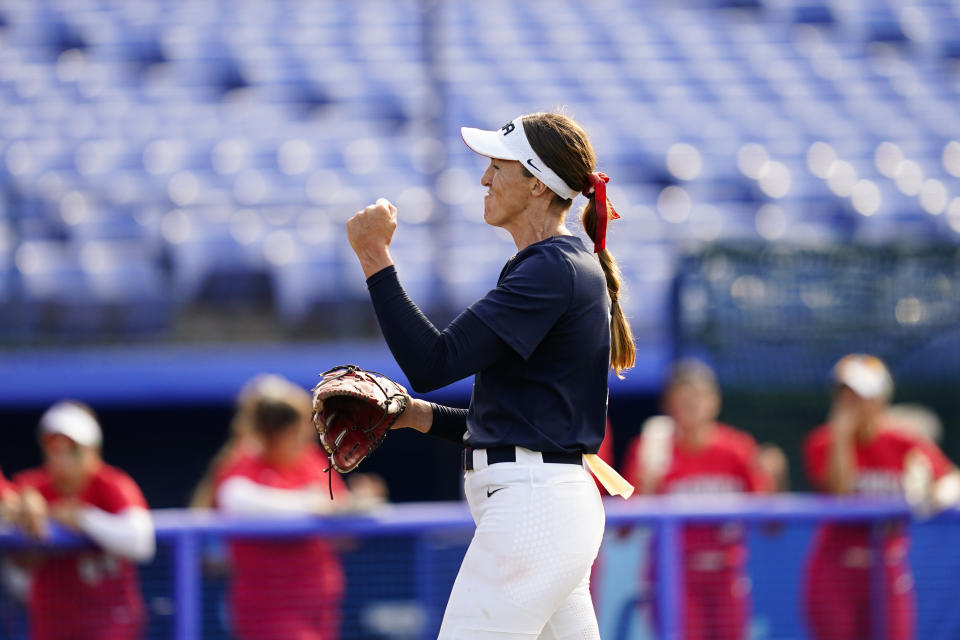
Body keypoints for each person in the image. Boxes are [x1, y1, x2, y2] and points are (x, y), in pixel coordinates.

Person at [343, 111, 634, 639]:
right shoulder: (556, 265)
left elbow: (432, 363)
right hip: (545, 505)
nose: (484, 179)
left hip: (535, 510)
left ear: (538, 186)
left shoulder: (552, 268)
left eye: (498, 167)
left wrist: (374, 258)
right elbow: (518, 421)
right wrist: (417, 415)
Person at [802, 354, 960, 640]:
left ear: (879, 399)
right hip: (835, 572)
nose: (849, 403)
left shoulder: (904, 442)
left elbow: (952, 478)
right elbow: (839, 492)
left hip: (887, 570)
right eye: (843, 394)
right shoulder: (821, 441)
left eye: (859, 395)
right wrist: (841, 437)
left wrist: (936, 493)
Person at [214, 383, 383, 640]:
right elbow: (232, 498)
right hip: (268, 607)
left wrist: (358, 504)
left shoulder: (311, 461)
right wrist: (312, 506)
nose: (306, 435)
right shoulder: (244, 464)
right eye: (297, 429)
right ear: (272, 433)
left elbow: (342, 528)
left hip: (320, 603)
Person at [620, 360, 772, 640]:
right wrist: (647, 481)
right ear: (668, 403)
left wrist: (774, 479)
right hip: (673, 575)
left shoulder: (737, 449)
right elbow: (624, 528)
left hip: (725, 573)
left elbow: (770, 523)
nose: (692, 403)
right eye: (683, 395)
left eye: (699, 395)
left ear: (715, 400)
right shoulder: (651, 449)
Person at [12, 401, 155, 640]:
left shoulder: (112, 484)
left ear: (92, 450)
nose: (63, 456)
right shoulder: (31, 488)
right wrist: (20, 509)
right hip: (54, 619)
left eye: (73, 448)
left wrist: (83, 518)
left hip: (110, 619)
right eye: (54, 446)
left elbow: (143, 544)